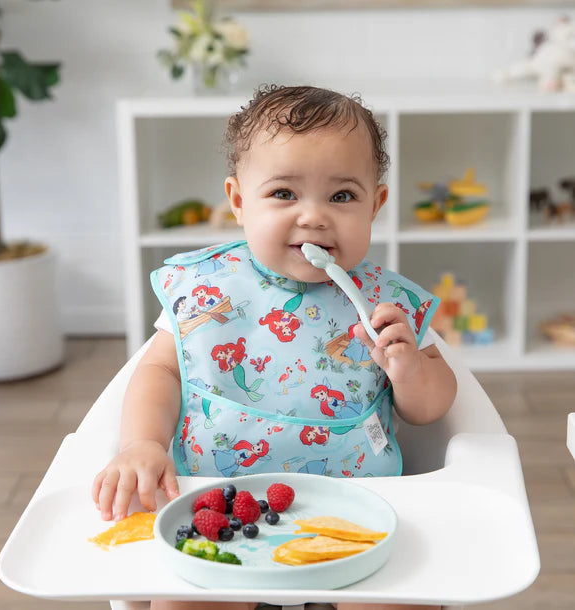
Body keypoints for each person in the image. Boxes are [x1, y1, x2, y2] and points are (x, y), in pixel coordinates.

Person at [92, 85, 457, 610]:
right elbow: (161, 373)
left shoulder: (384, 306)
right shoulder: (207, 289)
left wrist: (410, 370)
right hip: (216, 505)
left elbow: (430, 410)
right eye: (285, 194)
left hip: (357, 512)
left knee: (406, 596)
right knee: (181, 601)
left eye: (342, 196)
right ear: (239, 201)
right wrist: (142, 443)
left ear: (375, 205)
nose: (313, 217)